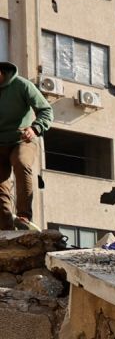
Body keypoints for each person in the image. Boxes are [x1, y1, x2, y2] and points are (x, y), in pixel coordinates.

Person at [0, 60, 53, 231]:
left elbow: (46, 110)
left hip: (22, 139)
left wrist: (35, 128)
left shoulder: (21, 85)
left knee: (21, 162)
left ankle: (24, 216)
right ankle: (5, 226)